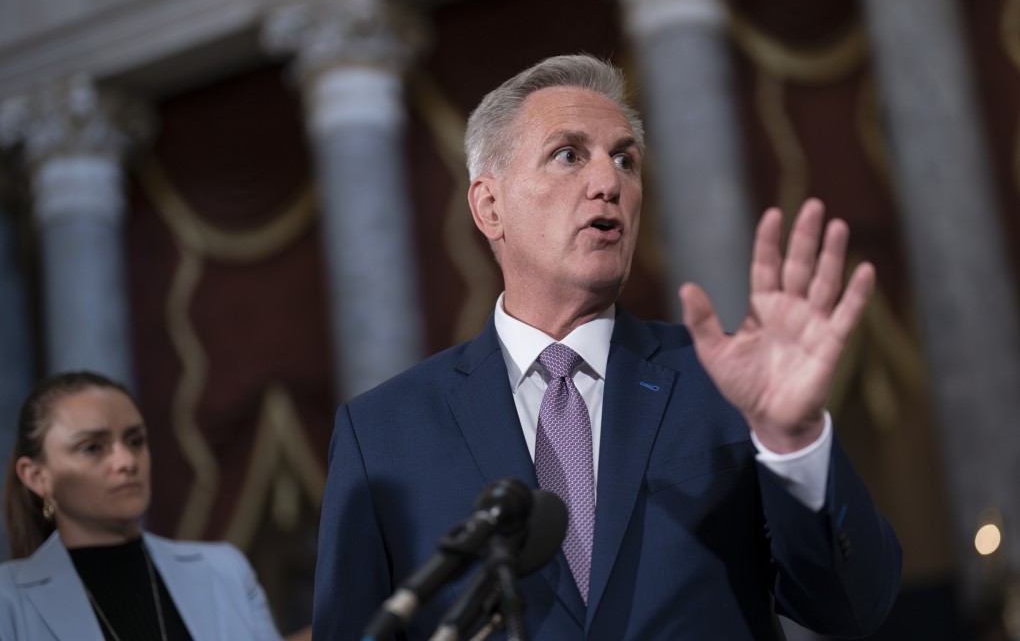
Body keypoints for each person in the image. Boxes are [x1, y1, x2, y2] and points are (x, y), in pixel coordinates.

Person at [312, 54, 902, 640]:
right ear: (490, 207)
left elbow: (853, 608)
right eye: (568, 155)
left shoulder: (725, 382)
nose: (608, 183)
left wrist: (794, 442)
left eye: (625, 159)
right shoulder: (382, 435)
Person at [0, 370, 283, 641]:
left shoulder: (224, 571)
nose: (126, 461)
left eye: (135, 441)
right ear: (37, 477)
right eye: (92, 447)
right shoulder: (8, 599)